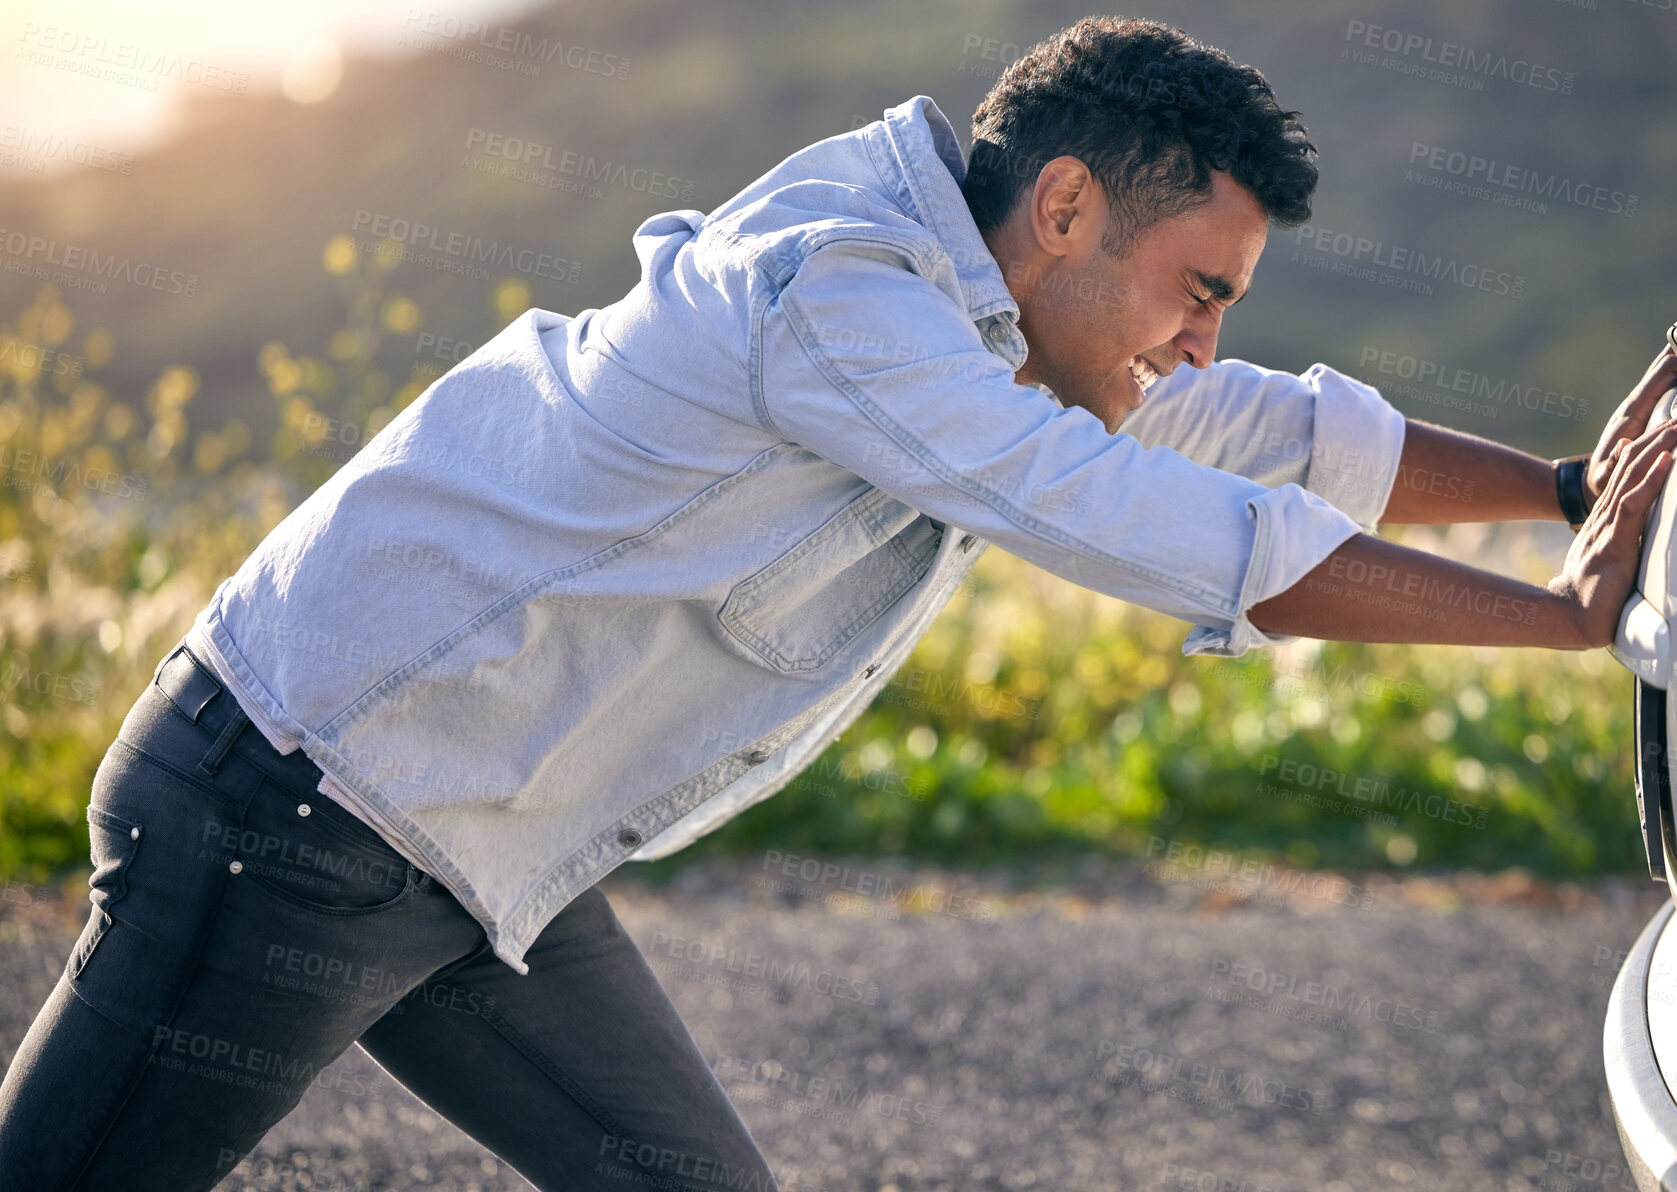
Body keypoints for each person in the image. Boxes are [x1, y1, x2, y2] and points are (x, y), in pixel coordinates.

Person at [1, 14, 1671, 1192]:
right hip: (289, 809)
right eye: (1198, 293)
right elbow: (1134, 514)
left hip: (475, 849)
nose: (1200, 343)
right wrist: (1560, 619)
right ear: (1070, 206)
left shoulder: (1003, 314)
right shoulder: (844, 292)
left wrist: (1570, 499)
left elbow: (1259, 430)